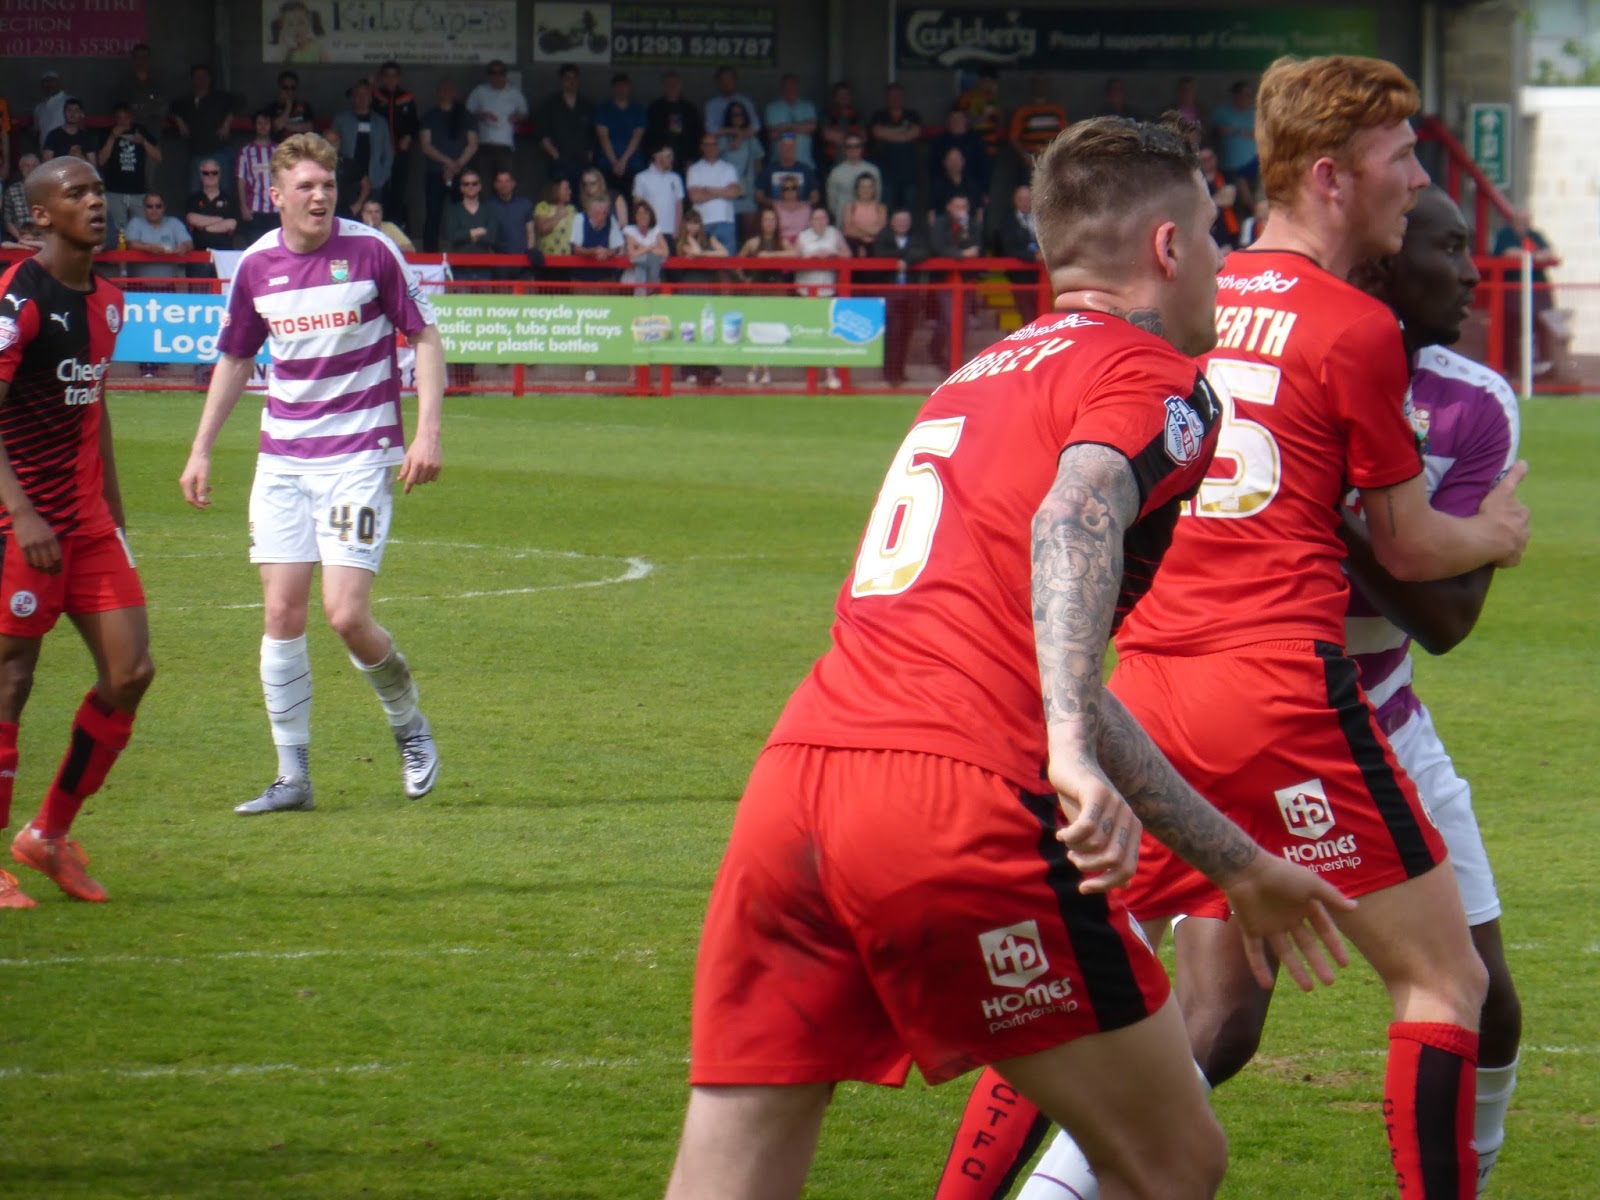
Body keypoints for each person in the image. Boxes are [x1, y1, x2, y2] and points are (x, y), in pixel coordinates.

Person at [662, 115, 1351, 1200]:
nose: (1225, 260)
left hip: (795, 790)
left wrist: (1232, 862)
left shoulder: (975, 376)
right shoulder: (1154, 373)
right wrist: (1065, 748)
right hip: (948, 796)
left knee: (732, 1172)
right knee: (1173, 1159)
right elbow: (1075, 511)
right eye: (1215, 236)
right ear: (1168, 247)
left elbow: (1044, 657)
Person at [949, 58, 1531, 1200]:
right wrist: (1495, 533)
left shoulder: (1187, 303)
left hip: (1147, 691)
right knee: (1445, 983)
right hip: (1282, 693)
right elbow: (1412, 550)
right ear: (1332, 178)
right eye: (1401, 159)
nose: (1419, 181)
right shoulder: (1353, 324)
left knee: (1083, 987)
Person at [178, 133, 444, 815]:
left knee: (346, 614)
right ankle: (292, 776)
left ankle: (409, 725)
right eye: (306, 186)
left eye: (327, 185)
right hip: (283, 462)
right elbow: (235, 358)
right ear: (277, 195)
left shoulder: (373, 251)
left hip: (358, 457)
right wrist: (201, 449)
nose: (320, 196)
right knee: (281, 612)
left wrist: (428, 432)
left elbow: (424, 337)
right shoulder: (256, 265)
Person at [0, 156, 156, 909]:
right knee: (12, 681)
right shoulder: (17, 300)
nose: (96, 202)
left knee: (131, 672)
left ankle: (48, 835)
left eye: (99, 191)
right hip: (17, 521)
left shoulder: (111, 302)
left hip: (87, 522)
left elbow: (94, 404)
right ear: (40, 217)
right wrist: (23, 512)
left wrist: (114, 511)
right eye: (77, 194)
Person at [1490, 208, 1564, 376]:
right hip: (1513, 293)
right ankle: (1510, 367)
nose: (1524, 224)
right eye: (1521, 220)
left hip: (1537, 292)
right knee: (1511, 329)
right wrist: (1532, 256)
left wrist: (1533, 255)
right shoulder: (1505, 235)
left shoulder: (1535, 235)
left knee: (1542, 326)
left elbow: (1549, 252)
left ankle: (1543, 366)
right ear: (1513, 220)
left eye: (1527, 220)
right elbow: (1507, 252)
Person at [868, 207, 930, 388]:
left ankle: (900, 372)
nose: (903, 224)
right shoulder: (884, 236)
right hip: (890, 295)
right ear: (892, 222)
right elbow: (880, 253)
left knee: (906, 333)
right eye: (899, 221)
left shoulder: (917, 237)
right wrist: (904, 256)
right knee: (893, 334)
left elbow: (924, 252)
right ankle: (890, 374)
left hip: (910, 295)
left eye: (906, 221)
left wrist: (905, 261)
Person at [419, 80, 478, 254]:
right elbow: (425, 146)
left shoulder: (466, 116)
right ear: (437, 93)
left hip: (462, 174)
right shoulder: (429, 116)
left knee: (463, 214)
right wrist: (449, 163)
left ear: (455, 92)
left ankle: (464, 253)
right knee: (433, 214)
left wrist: (457, 165)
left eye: (449, 89)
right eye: (442, 89)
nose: (446, 92)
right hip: (435, 172)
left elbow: (473, 144)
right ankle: (430, 255)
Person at [736, 207, 792, 384]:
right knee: (756, 328)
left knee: (770, 329)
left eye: (773, 220)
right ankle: (755, 367)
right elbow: (737, 263)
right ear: (760, 222)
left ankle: (766, 369)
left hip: (776, 291)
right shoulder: (752, 243)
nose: (769, 223)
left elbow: (795, 254)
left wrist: (771, 255)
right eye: (766, 220)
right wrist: (745, 280)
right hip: (757, 290)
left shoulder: (782, 242)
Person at [795, 205, 849, 389]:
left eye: (823, 218)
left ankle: (830, 373)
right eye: (816, 218)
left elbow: (848, 255)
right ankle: (810, 375)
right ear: (810, 221)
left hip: (828, 291)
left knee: (828, 333)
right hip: (806, 292)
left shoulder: (835, 234)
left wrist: (833, 254)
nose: (820, 221)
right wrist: (811, 257)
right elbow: (794, 260)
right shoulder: (803, 236)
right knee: (809, 331)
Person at [96, 103, 162, 244]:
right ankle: (122, 258)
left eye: (126, 118)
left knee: (141, 229)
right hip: (115, 191)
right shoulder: (108, 133)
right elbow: (101, 161)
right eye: (119, 118)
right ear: (115, 119)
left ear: (132, 118)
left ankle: (139, 257)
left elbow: (158, 157)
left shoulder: (140, 131)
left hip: (138, 191)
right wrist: (112, 138)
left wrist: (143, 142)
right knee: (120, 231)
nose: (123, 122)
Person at [332, 79, 394, 220]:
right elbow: (330, 145)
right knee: (347, 220)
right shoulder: (341, 120)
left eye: (365, 95)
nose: (362, 98)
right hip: (348, 181)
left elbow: (388, 154)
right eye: (358, 95)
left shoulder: (380, 122)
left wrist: (382, 176)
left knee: (372, 220)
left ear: (371, 98)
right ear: (353, 97)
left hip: (374, 179)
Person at [169, 64, 237, 192]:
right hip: (197, 154)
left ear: (210, 79)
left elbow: (240, 102)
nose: (202, 80)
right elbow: (169, 108)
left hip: (219, 151)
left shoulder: (220, 98)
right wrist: (179, 120)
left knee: (223, 192)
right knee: (195, 193)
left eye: (205, 77)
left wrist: (227, 122)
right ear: (192, 80)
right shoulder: (186, 102)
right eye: (198, 77)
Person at [372, 61, 420, 231]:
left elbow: (415, 124)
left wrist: (409, 137)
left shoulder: (406, 97)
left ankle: (396, 229)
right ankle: (378, 228)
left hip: (401, 152)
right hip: (379, 154)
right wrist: (369, 82)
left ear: (399, 78)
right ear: (382, 78)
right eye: (387, 76)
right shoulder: (375, 95)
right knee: (380, 190)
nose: (390, 80)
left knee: (399, 191)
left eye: (394, 76)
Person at [466, 60, 528, 186]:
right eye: (493, 73)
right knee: (483, 186)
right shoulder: (480, 91)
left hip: (505, 147)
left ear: (505, 74)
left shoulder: (514, 92)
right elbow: (467, 113)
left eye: (501, 72)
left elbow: (525, 113)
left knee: (505, 187)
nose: (497, 76)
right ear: (488, 75)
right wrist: (481, 115)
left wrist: (517, 117)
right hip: (483, 146)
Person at [537, 64, 595, 192]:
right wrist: (554, 154)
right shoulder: (551, 104)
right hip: (559, 163)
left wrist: (589, 155)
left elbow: (593, 135)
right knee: (559, 197)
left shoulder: (587, 105)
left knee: (581, 197)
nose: (571, 82)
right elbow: (542, 133)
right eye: (567, 78)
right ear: (561, 81)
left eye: (574, 78)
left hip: (581, 163)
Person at [868, 84, 922, 213]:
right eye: (892, 96)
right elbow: (877, 132)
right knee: (886, 211)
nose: (895, 98)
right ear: (887, 98)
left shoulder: (912, 115)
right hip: (886, 174)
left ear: (903, 97)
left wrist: (888, 133)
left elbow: (915, 133)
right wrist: (903, 131)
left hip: (909, 173)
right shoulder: (879, 115)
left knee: (907, 212)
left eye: (898, 95)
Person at [594, 72, 648, 199]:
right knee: (607, 200)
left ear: (629, 87)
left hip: (632, 164)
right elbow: (603, 137)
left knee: (632, 200)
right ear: (613, 88)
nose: (621, 89)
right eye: (618, 86)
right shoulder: (603, 109)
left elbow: (637, 137)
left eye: (624, 86)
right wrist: (614, 162)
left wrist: (623, 161)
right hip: (607, 165)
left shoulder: (637, 110)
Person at [685, 133, 740, 254]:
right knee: (703, 259)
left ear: (718, 146)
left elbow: (734, 193)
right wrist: (723, 191)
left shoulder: (729, 168)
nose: (710, 147)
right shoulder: (694, 169)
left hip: (725, 221)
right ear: (702, 147)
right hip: (702, 223)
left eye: (713, 144)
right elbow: (694, 197)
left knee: (728, 260)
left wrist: (707, 189)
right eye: (707, 144)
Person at [994, 183, 1041, 324]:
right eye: (1021, 199)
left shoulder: (1041, 220)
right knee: (1027, 314)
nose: (1025, 202)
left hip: (1040, 275)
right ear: (1015, 200)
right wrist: (1033, 256)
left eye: (1028, 199)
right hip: (1019, 276)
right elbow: (1009, 249)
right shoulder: (1007, 222)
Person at [717, 102, 762, 241]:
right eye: (734, 115)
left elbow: (758, 165)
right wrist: (731, 133)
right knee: (728, 236)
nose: (738, 118)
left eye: (740, 114)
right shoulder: (723, 140)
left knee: (750, 235)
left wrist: (758, 188)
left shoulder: (752, 139)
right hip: (726, 192)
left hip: (748, 191)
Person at [645, 71, 702, 179]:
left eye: (675, 84)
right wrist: (653, 157)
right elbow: (648, 136)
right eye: (668, 84)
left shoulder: (690, 109)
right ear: (663, 86)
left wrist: (692, 159)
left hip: (684, 161)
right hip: (660, 160)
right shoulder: (655, 108)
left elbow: (697, 135)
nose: (672, 87)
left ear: (680, 86)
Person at [236, 109, 281, 242]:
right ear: (254, 126)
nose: (263, 126)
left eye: (266, 123)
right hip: (255, 211)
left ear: (271, 125)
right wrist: (243, 207)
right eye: (259, 123)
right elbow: (241, 181)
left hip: (277, 210)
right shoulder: (246, 151)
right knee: (256, 248)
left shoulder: (280, 150)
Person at [1008, 77, 1069, 166]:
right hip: (1031, 159)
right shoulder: (1023, 111)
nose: (1040, 87)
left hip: (1052, 159)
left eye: (1043, 83)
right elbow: (1013, 138)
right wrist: (1025, 156)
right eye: (1037, 83)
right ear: (1032, 86)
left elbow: (1065, 135)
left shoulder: (1057, 110)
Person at [185, 157, 240, 256]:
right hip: (198, 254)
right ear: (201, 175)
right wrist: (220, 220)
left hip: (224, 254)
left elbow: (231, 224)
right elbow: (191, 219)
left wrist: (204, 228)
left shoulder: (229, 199)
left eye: (214, 172)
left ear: (219, 174)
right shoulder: (193, 199)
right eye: (206, 173)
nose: (210, 176)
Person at [631, 145, 684, 245]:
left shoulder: (675, 178)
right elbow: (637, 206)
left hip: (670, 232)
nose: (671, 160)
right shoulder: (641, 177)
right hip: (649, 232)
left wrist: (677, 229)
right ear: (657, 157)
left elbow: (679, 206)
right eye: (668, 156)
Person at [824, 132, 880, 228]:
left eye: (857, 146)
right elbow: (832, 202)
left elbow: (877, 196)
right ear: (845, 149)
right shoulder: (836, 172)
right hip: (843, 222)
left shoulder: (873, 170)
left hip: (868, 222)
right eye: (849, 146)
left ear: (862, 148)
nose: (853, 149)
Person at [1210, 80, 1259, 187]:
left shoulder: (1254, 114)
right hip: (1230, 166)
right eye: (1244, 94)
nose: (1247, 98)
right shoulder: (1222, 112)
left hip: (1252, 165)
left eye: (1249, 95)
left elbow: (1259, 134)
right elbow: (1213, 131)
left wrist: (1235, 131)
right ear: (1236, 95)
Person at [569, 194, 624, 283]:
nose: (601, 217)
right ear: (589, 213)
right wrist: (595, 251)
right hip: (580, 278)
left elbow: (617, 248)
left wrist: (607, 252)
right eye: (597, 213)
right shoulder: (579, 219)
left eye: (604, 213)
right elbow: (576, 248)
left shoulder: (611, 220)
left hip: (605, 278)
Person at [764, 74, 818, 167]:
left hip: (805, 162)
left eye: (792, 85)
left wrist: (786, 127)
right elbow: (772, 134)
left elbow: (812, 128)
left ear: (797, 87)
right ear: (781, 88)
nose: (789, 88)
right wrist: (801, 127)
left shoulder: (808, 106)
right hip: (779, 162)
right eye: (786, 86)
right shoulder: (772, 107)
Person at [756, 133, 819, 208]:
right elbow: (759, 196)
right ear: (780, 148)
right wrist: (776, 204)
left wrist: (800, 206)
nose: (788, 149)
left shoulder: (806, 170)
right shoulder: (768, 170)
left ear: (795, 148)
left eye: (791, 146)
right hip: (774, 212)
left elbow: (815, 196)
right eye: (785, 146)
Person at [816, 81, 863, 176]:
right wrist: (852, 137)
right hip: (831, 164)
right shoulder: (827, 114)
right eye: (840, 94)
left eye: (846, 94)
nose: (843, 97)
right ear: (835, 97)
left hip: (855, 164)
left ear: (850, 97)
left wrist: (840, 137)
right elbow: (827, 135)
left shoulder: (858, 115)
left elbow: (863, 138)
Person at [621, 198, 669, 290]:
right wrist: (649, 248)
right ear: (635, 216)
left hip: (652, 270)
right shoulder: (629, 230)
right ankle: (649, 290)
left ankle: (649, 289)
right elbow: (632, 254)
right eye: (640, 213)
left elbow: (665, 252)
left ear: (650, 216)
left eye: (646, 213)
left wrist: (640, 247)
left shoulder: (655, 230)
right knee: (643, 263)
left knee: (651, 259)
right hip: (633, 272)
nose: (643, 216)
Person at [705, 66, 761, 139]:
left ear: (735, 80)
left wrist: (740, 137)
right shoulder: (712, 104)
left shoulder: (746, 102)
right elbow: (710, 129)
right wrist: (732, 131)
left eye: (729, 79)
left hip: (746, 141)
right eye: (723, 80)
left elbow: (756, 126)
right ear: (718, 82)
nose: (726, 83)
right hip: (720, 142)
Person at [488, 168, 534, 256]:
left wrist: (530, 252)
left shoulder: (525, 204)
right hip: (498, 258)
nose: (503, 185)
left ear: (513, 184)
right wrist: (492, 257)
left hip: (523, 257)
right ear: (495, 185)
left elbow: (530, 232)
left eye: (507, 181)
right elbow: (486, 235)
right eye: (500, 182)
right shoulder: (489, 206)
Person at [841, 172, 886, 256]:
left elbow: (880, 231)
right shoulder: (850, 206)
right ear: (857, 189)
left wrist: (857, 226)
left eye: (869, 187)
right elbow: (847, 231)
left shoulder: (880, 207)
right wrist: (869, 234)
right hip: (854, 244)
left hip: (875, 246)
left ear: (874, 189)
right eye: (863, 187)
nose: (866, 190)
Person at [41, 99, 98, 164]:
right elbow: (47, 164)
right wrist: (68, 158)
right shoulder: (53, 135)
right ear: (64, 113)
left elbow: (93, 166)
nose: (72, 114)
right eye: (69, 110)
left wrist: (80, 158)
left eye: (76, 111)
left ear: (81, 114)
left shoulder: (88, 137)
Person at [533, 177, 577, 257]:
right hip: (548, 259)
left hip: (568, 259)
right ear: (556, 190)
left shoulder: (571, 209)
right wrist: (558, 216)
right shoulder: (543, 206)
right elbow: (542, 229)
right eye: (566, 189)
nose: (570, 192)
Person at [268, 70, 316, 139]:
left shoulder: (304, 106)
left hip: (301, 144)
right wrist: (288, 106)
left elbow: (309, 128)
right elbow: (278, 126)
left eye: (293, 88)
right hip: (281, 144)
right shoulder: (272, 107)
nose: (289, 91)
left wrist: (284, 124)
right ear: (279, 88)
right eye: (285, 87)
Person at [33, 71, 70, 147]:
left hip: (66, 150)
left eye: (52, 81)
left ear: (59, 83)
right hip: (46, 151)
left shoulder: (69, 101)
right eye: (46, 82)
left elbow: (80, 127)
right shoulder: (39, 108)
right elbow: (37, 131)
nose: (49, 84)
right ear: (42, 85)